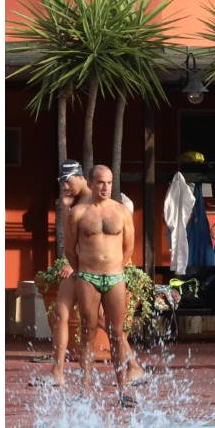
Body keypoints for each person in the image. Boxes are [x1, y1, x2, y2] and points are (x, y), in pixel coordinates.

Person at [39, 161, 145, 388]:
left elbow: (127, 246)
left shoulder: (101, 204)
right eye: (61, 182)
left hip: (102, 271)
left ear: (81, 179)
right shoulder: (76, 205)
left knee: (108, 325)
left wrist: (111, 267)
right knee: (63, 314)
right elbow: (71, 240)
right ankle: (61, 373)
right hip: (83, 269)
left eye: (67, 181)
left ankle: (131, 368)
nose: (65, 186)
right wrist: (79, 266)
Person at [65, 165, 136, 404]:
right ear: (91, 184)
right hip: (88, 277)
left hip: (115, 277)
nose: (105, 187)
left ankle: (123, 389)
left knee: (117, 333)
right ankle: (85, 390)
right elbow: (69, 249)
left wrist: (116, 268)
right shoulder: (78, 213)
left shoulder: (121, 212)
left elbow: (129, 246)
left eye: (109, 183)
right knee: (88, 331)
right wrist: (82, 271)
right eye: (100, 183)